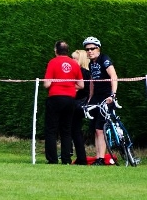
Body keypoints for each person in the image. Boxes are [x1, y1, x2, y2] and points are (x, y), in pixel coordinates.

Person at [43, 41, 84, 164]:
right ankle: (66, 159)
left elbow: (47, 84)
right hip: (70, 99)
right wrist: (70, 86)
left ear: (56, 50)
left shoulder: (52, 62)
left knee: (51, 129)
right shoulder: (74, 64)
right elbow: (81, 85)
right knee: (66, 130)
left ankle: (52, 159)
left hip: (55, 97)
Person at [82, 36, 118, 166]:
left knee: (100, 129)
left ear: (98, 49)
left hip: (106, 96)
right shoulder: (91, 63)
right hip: (96, 97)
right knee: (95, 129)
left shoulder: (104, 59)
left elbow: (113, 76)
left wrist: (113, 95)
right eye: (87, 49)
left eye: (92, 48)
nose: (90, 51)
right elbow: (92, 81)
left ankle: (101, 158)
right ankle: (98, 157)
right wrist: (90, 98)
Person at [71, 50, 91, 165]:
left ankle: (81, 158)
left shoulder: (81, 72)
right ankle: (81, 157)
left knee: (74, 131)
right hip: (82, 103)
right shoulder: (87, 72)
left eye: (75, 59)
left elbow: (77, 89)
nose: (73, 61)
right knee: (75, 131)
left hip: (78, 104)